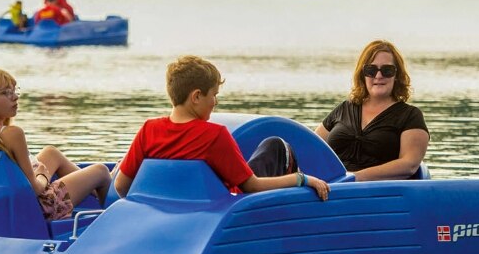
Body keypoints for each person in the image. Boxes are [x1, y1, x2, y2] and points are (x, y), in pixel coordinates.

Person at [114, 55, 329, 201]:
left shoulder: (148, 131)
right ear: (196, 96)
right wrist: (303, 180)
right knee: (277, 147)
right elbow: (251, 187)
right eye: (213, 95)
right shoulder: (213, 136)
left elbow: (121, 187)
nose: (215, 102)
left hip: (171, 211)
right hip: (231, 208)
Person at [0, 69, 111, 220]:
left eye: (14, 90)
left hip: (17, 202)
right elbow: (35, 189)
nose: (15, 97)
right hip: (42, 206)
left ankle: (99, 188)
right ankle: (112, 202)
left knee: (51, 153)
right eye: (6, 93)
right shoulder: (13, 134)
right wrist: (42, 175)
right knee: (101, 170)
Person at [315, 40, 430, 181]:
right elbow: (311, 148)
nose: (378, 76)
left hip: (376, 195)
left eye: (387, 70)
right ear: (362, 75)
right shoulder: (344, 108)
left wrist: (351, 178)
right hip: (330, 191)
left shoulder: (410, 116)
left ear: (397, 76)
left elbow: (409, 165)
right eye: (371, 70)